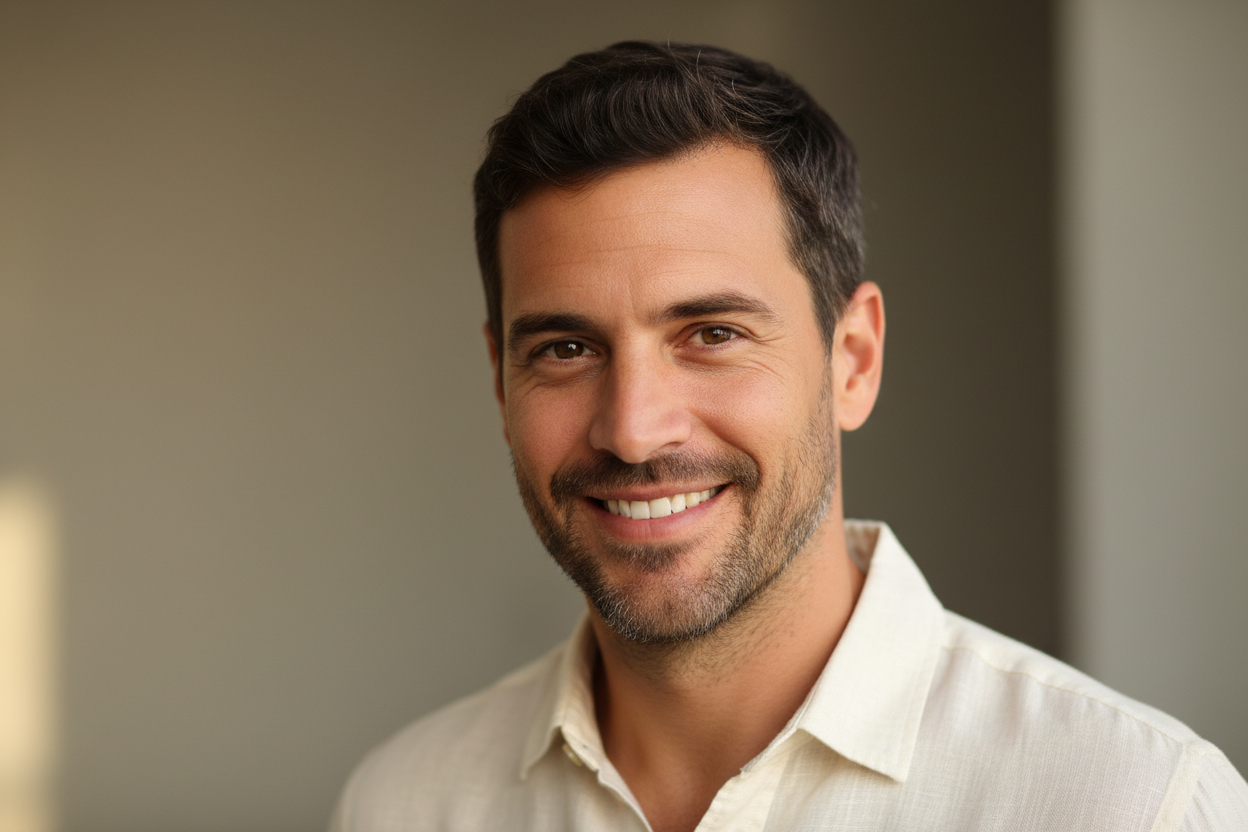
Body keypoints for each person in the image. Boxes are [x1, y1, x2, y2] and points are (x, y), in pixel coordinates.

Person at [329, 41, 1248, 831]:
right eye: (567, 349)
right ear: (499, 379)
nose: (635, 430)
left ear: (852, 359)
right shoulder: (405, 803)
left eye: (713, 335)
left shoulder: (1136, 804)